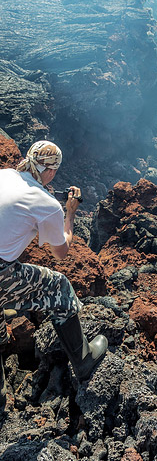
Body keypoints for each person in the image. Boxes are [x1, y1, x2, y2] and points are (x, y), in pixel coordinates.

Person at [0, 140, 108, 404]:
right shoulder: (47, 204)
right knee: (59, 286)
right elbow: (61, 252)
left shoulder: (5, 175)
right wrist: (69, 214)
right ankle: (83, 361)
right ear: (50, 172)